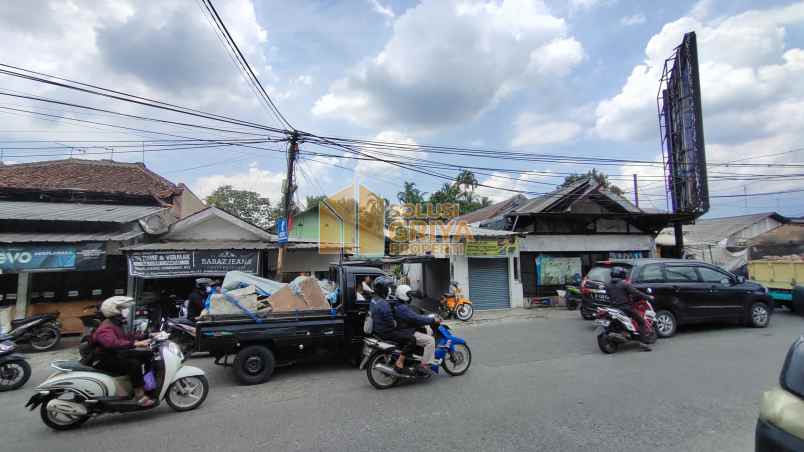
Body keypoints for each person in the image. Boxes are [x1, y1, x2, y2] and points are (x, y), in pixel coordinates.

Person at [369, 276, 438, 376]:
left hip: (379, 330)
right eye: (388, 287)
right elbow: (411, 320)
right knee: (417, 340)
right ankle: (410, 364)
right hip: (388, 332)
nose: (389, 289)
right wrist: (431, 320)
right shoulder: (386, 305)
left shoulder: (375, 300)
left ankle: (413, 359)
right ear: (383, 288)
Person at [92, 296, 154, 406]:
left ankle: (147, 383)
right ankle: (139, 395)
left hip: (114, 354)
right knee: (133, 363)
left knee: (147, 354)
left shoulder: (115, 323)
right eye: (121, 309)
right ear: (114, 310)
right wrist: (134, 343)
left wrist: (148, 335)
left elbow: (126, 337)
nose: (124, 311)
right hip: (104, 359)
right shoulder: (106, 327)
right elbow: (112, 343)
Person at [605, 266, 654, 351]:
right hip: (625, 308)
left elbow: (608, 295)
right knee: (641, 321)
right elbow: (636, 292)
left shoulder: (608, 285)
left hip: (613, 308)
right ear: (621, 274)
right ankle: (643, 344)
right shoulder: (624, 284)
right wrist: (648, 297)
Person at [395, 284, 437, 371]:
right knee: (430, 340)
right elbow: (416, 318)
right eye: (408, 295)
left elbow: (413, 316)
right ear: (404, 295)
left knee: (426, 331)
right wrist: (432, 320)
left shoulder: (399, 305)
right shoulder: (403, 308)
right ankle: (424, 366)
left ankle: (420, 356)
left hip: (404, 329)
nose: (410, 297)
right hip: (407, 331)